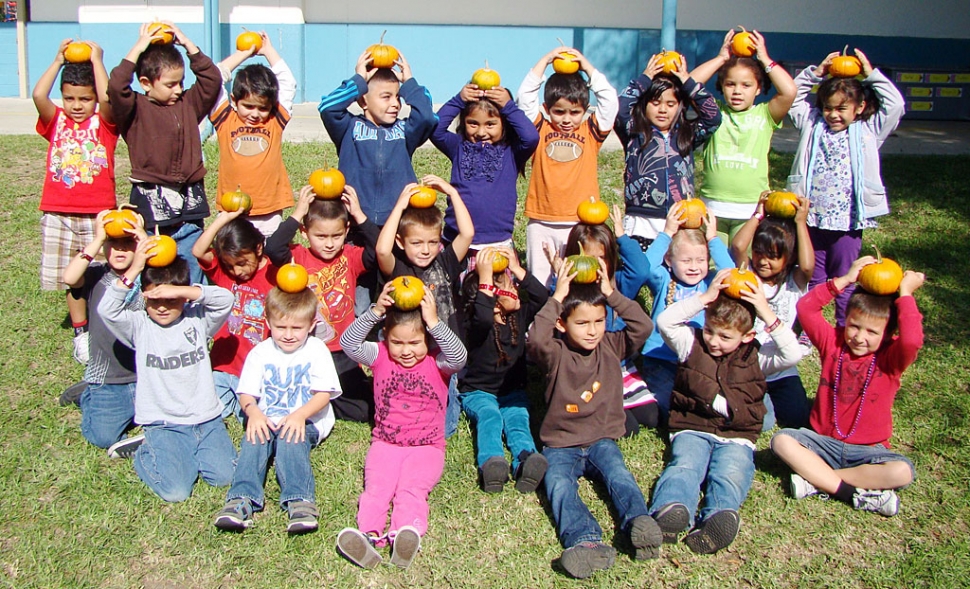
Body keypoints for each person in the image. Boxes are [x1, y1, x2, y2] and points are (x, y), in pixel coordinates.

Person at [649, 269, 802, 554]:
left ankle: (719, 516)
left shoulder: (757, 358)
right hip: (693, 427)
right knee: (685, 466)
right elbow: (664, 321)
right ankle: (672, 509)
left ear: (747, 336)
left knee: (731, 472)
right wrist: (704, 298)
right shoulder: (690, 343)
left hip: (737, 434)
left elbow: (792, 354)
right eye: (710, 330)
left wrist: (765, 310)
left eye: (725, 336)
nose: (714, 341)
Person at [527, 259, 662, 579]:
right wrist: (557, 297)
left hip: (602, 437)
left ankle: (639, 523)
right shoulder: (555, 352)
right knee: (558, 484)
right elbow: (535, 340)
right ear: (562, 324)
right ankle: (584, 541)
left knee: (619, 475)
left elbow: (643, 327)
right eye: (583, 323)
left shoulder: (612, 346)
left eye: (599, 321)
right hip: (562, 443)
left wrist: (611, 293)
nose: (592, 330)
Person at [771, 257, 925, 517]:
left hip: (868, 451)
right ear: (845, 321)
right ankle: (849, 491)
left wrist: (905, 294)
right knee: (781, 441)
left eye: (872, 332)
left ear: (888, 335)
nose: (860, 337)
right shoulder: (833, 343)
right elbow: (806, 308)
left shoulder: (890, 359)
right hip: (821, 443)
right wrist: (844, 280)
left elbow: (912, 341)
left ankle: (817, 481)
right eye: (854, 326)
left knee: (902, 471)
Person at [336, 282, 467, 570]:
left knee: (411, 490)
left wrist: (434, 322)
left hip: (427, 448)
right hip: (385, 443)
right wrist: (376, 311)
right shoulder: (380, 355)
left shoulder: (438, 362)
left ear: (427, 340)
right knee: (377, 490)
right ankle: (368, 536)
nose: (406, 351)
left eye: (414, 343)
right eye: (397, 343)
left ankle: (405, 534)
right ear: (385, 338)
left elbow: (459, 356)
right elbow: (348, 344)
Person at [99, 251, 235, 502]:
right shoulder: (139, 326)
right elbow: (107, 309)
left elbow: (226, 299)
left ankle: (178, 453)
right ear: (144, 298)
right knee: (176, 491)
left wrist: (185, 292)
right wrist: (135, 267)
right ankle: (145, 449)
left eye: (170, 300)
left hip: (206, 419)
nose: (162, 307)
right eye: (154, 301)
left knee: (224, 477)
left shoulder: (197, 320)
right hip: (165, 423)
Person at [787, 49, 904, 325]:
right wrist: (815, 74)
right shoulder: (812, 123)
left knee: (844, 277)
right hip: (812, 218)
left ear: (859, 108)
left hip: (847, 222)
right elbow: (793, 98)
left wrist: (870, 73)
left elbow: (895, 105)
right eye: (828, 107)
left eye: (842, 109)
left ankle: (842, 324)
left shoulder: (868, 130)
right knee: (812, 276)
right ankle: (808, 327)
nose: (833, 115)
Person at [213, 286, 341, 534]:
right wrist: (254, 412)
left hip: (307, 420)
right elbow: (246, 393)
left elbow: (323, 394)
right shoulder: (260, 353)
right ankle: (240, 499)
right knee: (253, 440)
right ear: (268, 322)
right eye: (281, 328)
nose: (289, 335)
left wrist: (299, 415)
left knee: (290, 439)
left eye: (297, 328)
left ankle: (300, 501)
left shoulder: (316, 350)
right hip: (267, 417)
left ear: (311, 325)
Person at [107, 21, 223, 285]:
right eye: (171, 84)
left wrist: (185, 42)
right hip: (152, 208)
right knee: (153, 270)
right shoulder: (133, 110)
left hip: (190, 206)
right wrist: (140, 46)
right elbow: (116, 86)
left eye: (181, 82)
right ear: (146, 83)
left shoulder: (188, 105)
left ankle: (192, 311)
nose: (179, 89)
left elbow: (212, 79)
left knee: (191, 267)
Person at [33, 39, 117, 364]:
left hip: (98, 214)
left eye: (85, 99)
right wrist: (57, 60)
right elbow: (39, 95)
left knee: (106, 272)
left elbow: (109, 98)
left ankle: (106, 325)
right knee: (73, 276)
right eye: (69, 98)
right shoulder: (56, 122)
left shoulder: (105, 125)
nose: (77, 105)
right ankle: (81, 332)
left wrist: (97, 60)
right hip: (58, 212)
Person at [265, 185, 380, 423]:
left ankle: (326, 402)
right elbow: (273, 248)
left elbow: (380, 250)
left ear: (346, 231)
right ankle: (319, 401)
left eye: (336, 236)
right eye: (321, 236)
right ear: (305, 232)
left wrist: (358, 214)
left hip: (341, 351)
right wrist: (298, 214)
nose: (329, 244)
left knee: (364, 411)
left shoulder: (350, 257)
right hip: (305, 350)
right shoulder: (298, 257)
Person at [376, 176, 474, 436]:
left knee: (446, 427)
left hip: (442, 354)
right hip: (410, 355)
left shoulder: (445, 263)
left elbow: (467, 233)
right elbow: (382, 251)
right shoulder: (399, 269)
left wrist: (451, 192)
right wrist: (400, 205)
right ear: (401, 242)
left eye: (432, 242)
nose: (425, 250)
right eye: (416, 243)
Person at [547, 206, 659, 435]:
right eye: (588, 258)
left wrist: (621, 236)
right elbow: (553, 318)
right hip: (585, 370)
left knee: (652, 417)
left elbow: (641, 270)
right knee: (629, 429)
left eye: (601, 258)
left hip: (618, 366)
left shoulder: (616, 283)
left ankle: (619, 399)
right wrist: (559, 280)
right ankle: (606, 406)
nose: (595, 265)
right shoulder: (570, 290)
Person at [622, 203, 735, 419]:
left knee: (704, 400)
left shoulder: (710, 282)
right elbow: (644, 268)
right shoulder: (664, 278)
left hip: (698, 360)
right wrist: (666, 233)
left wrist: (713, 239)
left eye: (700, 260)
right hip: (661, 359)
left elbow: (731, 275)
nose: (694, 267)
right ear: (669, 260)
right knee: (669, 408)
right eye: (686, 260)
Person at [516, 46, 618, 286]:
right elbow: (525, 96)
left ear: (585, 110)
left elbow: (610, 101)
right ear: (547, 109)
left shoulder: (591, 131)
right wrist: (546, 59)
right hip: (541, 221)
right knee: (538, 284)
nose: (566, 119)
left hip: (579, 223)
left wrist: (586, 66)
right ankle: (539, 322)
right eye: (559, 111)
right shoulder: (539, 128)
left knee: (576, 282)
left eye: (574, 112)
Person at [690, 29, 797, 244]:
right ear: (721, 87)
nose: (737, 91)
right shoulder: (714, 112)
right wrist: (721, 58)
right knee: (714, 267)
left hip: (750, 209)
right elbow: (689, 85)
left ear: (758, 89)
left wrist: (764, 59)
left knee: (743, 268)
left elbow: (789, 91)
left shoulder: (765, 114)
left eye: (746, 85)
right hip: (713, 208)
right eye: (731, 84)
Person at [458, 247, 549, 493]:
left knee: (518, 419)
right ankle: (491, 463)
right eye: (510, 286)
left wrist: (518, 270)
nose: (516, 289)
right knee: (490, 417)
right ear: (494, 301)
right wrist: (486, 277)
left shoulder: (519, 316)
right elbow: (483, 315)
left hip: (513, 391)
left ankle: (525, 459)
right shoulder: (476, 324)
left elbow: (543, 299)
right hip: (478, 391)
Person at [317, 47, 436, 226]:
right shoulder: (348, 127)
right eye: (386, 97)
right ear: (363, 101)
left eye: (398, 97)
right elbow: (327, 107)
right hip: (354, 219)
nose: (395, 104)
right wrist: (358, 81)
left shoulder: (405, 130)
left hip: (397, 218)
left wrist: (409, 83)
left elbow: (427, 117)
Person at [615, 53, 721, 248]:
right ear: (644, 105)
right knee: (641, 272)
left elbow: (713, 117)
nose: (663, 109)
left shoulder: (687, 134)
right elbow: (620, 109)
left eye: (670, 104)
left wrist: (687, 83)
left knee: (672, 273)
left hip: (680, 219)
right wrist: (644, 79)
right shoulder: (635, 132)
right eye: (655, 103)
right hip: (641, 221)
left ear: (679, 106)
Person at [61, 209, 145, 456]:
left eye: (128, 243)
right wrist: (96, 239)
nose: (120, 250)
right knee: (103, 436)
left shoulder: (151, 274)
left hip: (147, 376)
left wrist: (143, 239)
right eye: (113, 243)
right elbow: (69, 277)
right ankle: (88, 393)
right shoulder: (96, 275)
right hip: (109, 379)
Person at [731, 193, 815, 429]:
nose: (763, 260)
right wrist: (758, 214)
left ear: (789, 259)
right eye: (758, 252)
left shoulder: (794, 280)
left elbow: (808, 265)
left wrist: (800, 222)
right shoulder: (747, 275)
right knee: (763, 422)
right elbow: (737, 246)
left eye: (773, 256)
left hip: (782, 366)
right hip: (751, 364)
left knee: (797, 418)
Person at [430, 81, 538, 249]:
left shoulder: (512, 151)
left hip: (497, 243)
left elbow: (531, 137)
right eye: (473, 123)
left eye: (490, 124)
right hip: (456, 240)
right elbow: (435, 130)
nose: (481, 132)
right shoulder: (458, 146)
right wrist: (459, 100)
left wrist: (508, 107)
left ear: (504, 123)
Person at [210, 31, 296, 238]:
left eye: (262, 108)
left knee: (267, 262)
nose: (255, 114)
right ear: (233, 100)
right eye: (248, 106)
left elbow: (288, 83)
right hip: (231, 208)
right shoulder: (224, 120)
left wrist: (269, 51)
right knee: (234, 258)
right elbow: (212, 79)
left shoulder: (275, 120)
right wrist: (244, 53)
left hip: (268, 210)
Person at [191, 211, 275, 421]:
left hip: (254, 372)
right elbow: (198, 250)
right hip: (222, 365)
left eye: (242, 263)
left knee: (254, 418)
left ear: (258, 248)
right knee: (204, 413)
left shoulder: (275, 274)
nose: (236, 271)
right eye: (230, 265)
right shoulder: (222, 273)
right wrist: (222, 220)